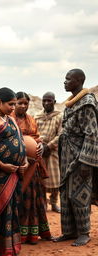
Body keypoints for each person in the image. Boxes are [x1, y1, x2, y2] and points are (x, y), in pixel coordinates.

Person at [53, 69, 98, 246]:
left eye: (68, 79)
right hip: (66, 156)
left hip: (80, 157)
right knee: (65, 193)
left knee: (79, 195)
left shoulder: (86, 103)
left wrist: (86, 162)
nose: (64, 82)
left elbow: (92, 134)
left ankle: (84, 232)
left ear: (79, 81)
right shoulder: (72, 102)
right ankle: (69, 231)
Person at [0, 87, 28, 256]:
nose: (13, 108)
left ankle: (11, 248)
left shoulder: (10, 118)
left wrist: (23, 161)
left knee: (13, 210)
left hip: (14, 174)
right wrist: (2, 165)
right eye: (10, 104)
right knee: (1, 211)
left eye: (15, 104)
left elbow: (20, 140)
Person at [11, 91, 52, 244]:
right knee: (20, 198)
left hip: (34, 166)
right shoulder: (10, 120)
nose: (23, 106)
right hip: (19, 166)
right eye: (19, 103)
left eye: (25, 103)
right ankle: (19, 234)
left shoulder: (31, 120)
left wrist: (40, 145)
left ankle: (35, 233)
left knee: (35, 198)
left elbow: (36, 137)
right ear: (14, 104)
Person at [34, 92, 62, 213]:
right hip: (39, 149)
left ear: (54, 102)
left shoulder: (59, 116)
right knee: (41, 178)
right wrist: (40, 145)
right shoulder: (37, 116)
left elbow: (61, 134)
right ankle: (43, 203)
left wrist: (49, 146)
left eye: (49, 101)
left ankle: (54, 202)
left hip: (53, 150)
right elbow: (34, 132)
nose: (46, 103)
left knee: (55, 179)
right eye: (44, 101)